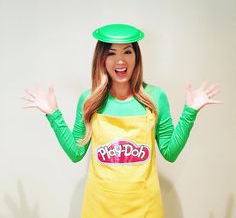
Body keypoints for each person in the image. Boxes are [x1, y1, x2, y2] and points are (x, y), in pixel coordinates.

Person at [22, 24, 222, 218]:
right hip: (99, 208)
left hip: (146, 208)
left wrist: (190, 112)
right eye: (111, 53)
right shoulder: (89, 100)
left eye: (127, 52)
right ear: (101, 59)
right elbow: (76, 152)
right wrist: (53, 113)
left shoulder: (155, 97)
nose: (120, 60)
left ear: (136, 57)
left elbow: (170, 152)